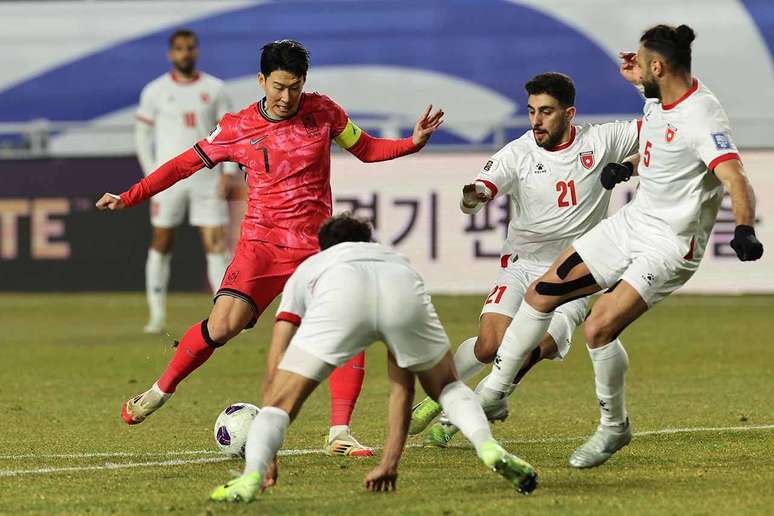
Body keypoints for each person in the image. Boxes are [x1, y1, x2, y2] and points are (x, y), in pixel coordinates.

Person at [96, 40, 445, 457]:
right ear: (262, 81)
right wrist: (130, 196)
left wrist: (411, 143)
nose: (286, 97)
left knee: (346, 326)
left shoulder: (324, 111)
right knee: (222, 326)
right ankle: (159, 391)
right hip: (261, 245)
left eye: (295, 87)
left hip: (316, 249)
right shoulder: (237, 127)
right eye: (278, 87)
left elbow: (366, 149)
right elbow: (182, 164)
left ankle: (339, 432)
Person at [477, 24, 763, 469]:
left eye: (641, 64)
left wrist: (743, 228)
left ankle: (614, 426)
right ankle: (494, 394)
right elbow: (663, 153)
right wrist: (628, 168)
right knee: (541, 293)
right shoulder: (659, 99)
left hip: (670, 244)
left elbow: (735, 177)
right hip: (632, 223)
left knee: (599, 327)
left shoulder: (702, 117)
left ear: (659, 67)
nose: (633, 71)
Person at [209, 214, 539, 502]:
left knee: (280, 406)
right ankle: (487, 446)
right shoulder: (396, 261)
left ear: (324, 247)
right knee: (448, 387)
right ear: (368, 242)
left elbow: (278, 349)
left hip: (340, 298)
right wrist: (389, 464)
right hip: (401, 291)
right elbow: (402, 390)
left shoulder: (313, 266)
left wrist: (271, 426)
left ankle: (252, 477)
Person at [409, 72, 641, 446]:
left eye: (546, 111)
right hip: (522, 264)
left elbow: (660, 130)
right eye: (532, 111)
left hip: (574, 271)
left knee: (534, 349)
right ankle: (445, 393)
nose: (536, 120)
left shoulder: (601, 140)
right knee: (489, 346)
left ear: (569, 114)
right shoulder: (517, 153)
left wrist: (633, 157)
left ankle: (460, 415)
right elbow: (478, 193)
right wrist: (473, 197)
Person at [135, 29, 239, 334]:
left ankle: (225, 314)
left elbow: (230, 134)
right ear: (171, 53)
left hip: (207, 177)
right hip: (168, 179)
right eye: (179, 49)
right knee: (162, 240)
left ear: (197, 51)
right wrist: (151, 174)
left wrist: (228, 171)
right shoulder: (155, 91)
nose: (185, 53)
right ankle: (156, 315)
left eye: (190, 48)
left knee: (215, 243)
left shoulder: (215, 89)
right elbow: (142, 136)